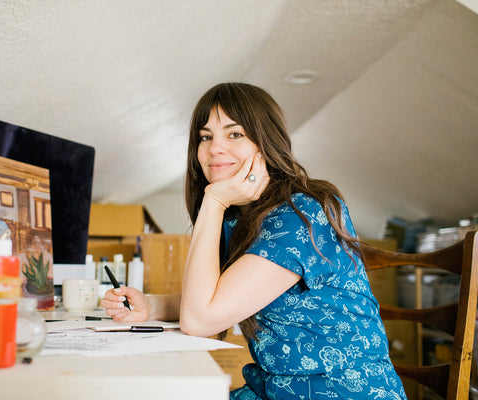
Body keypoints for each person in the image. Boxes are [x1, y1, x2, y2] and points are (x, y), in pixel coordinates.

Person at [101, 83, 406, 400]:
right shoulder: (240, 217)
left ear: (266, 142)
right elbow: (217, 298)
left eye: (234, 134)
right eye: (206, 137)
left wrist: (213, 202)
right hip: (276, 389)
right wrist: (152, 305)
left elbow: (200, 320)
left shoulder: (302, 214)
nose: (215, 148)